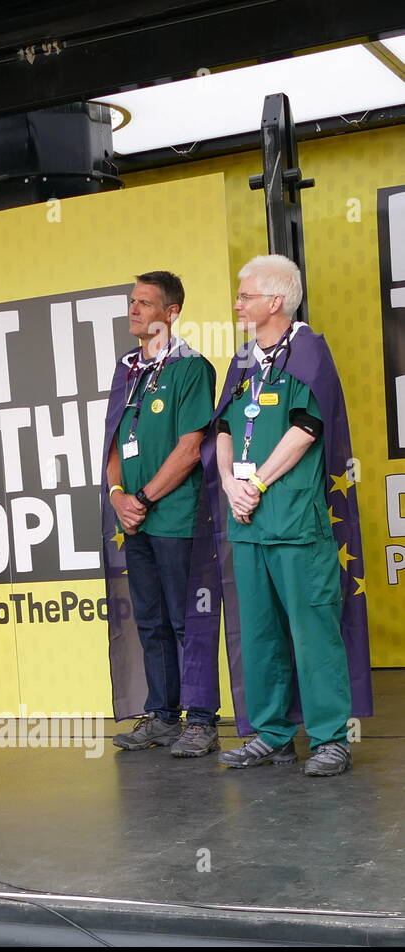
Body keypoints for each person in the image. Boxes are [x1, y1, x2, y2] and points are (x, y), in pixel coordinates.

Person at [213, 255, 371, 776]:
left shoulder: (308, 352)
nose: (237, 303)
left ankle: (330, 738)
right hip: (249, 524)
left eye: (246, 295)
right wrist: (231, 483)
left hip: (296, 523)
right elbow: (222, 429)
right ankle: (272, 734)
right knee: (258, 634)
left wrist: (256, 482)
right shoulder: (242, 361)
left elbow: (306, 428)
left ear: (276, 301)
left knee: (313, 632)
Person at [102, 272, 220, 757]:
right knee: (148, 620)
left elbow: (191, 448)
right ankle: (164, 716)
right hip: (134, 520)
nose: (134, 310)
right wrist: (116, 495)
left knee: (185, 620)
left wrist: (144, 498)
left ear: (171, 313)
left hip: (174, 518)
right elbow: (112, 441)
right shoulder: (127, 368)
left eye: (145, 303)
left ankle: (202, 720)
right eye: (132, 301)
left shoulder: (192, 368)